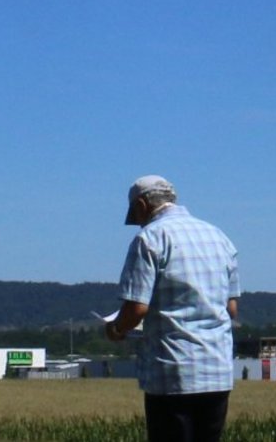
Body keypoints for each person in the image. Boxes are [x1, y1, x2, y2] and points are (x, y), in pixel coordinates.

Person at [105, 175, 240, 442]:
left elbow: (137, 309)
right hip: (217, 371)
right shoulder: (219, 237)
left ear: (142, 205)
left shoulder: (150, 238)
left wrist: (116, 328)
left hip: (173, 372)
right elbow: (232, 308)